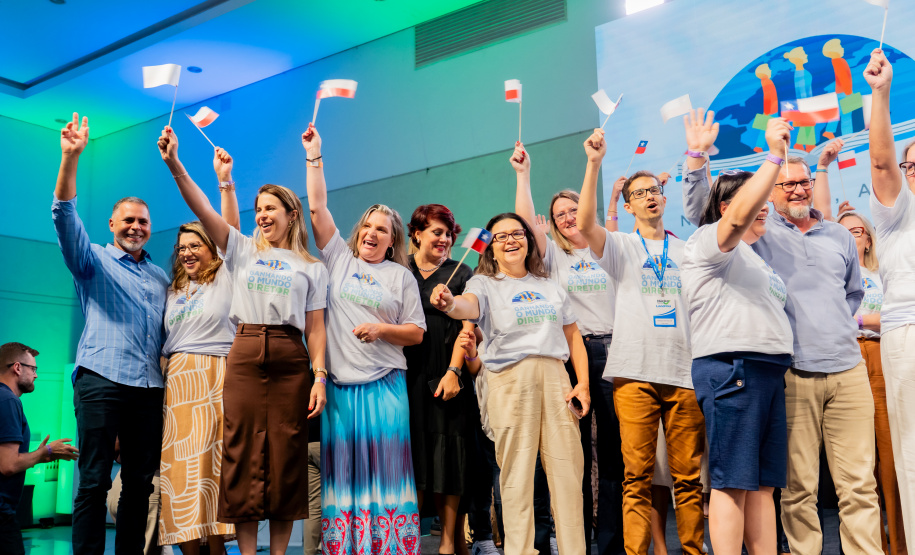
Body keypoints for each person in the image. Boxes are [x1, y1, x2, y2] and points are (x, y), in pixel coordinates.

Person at [682, 119, 880, 555]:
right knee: (743, 483)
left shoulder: (769, 255)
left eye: (804, 182)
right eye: (782, 185)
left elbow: (850, 295)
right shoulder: (723, 241)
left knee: (766, 485)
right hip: (741, 368)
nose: (795, 191)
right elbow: (717, 212)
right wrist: (699, 159)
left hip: (781, 371)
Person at [158, 126, 328, 555]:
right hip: (246, 352)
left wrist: (320, 376)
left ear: (292, 213)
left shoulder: (312, 267)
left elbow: (316, 328)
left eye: (271, 208)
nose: (263, 215)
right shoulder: (241, 248)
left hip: (291, 357)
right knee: (242, 456)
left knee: (286, 458)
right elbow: (200, 206)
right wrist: (176, 163)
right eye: (258, 209)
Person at [429, 212, 591, 555]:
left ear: (528, 240)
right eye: (500, 237)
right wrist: (450, 302)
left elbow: (573, 336)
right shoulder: (483, 284)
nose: (510, 241)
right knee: (516, 478)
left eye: (516, 233)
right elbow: (465, 307)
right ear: (490, 247)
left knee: (568, 475)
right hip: (509, 381)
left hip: (556, 380)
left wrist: (584, 384)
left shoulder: (550, 286)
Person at [577, 127, 706, 555]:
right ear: (628, 205)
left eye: (655, 191)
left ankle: (693, 550)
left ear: (664, 200)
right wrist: (594, 164)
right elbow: (585, 224)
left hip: (684, 373)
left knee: (688, 479)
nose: (650, 196)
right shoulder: (620, 246)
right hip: (633, 374)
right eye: (640, 193)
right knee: (637, 476)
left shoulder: (687, 250)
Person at [302, 124, 426, 555]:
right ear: (358, 232)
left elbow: (416, 333)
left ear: (393, 241)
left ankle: (390, 547)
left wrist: (381, 329)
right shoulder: (338, 259)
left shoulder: (401, 277)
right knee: (346, 477)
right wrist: (314, 155)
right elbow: (317, 208)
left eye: (382, 230)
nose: (372, 233)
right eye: (368, 226)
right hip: (340, 390)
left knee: (388, 473)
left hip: (386, 386)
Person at [52, 113, 169, 555]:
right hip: (101, 379)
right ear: (112, 225)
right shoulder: (92, 260)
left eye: (143, 221)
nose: (136, 227)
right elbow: (64, 217)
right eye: (128, 220)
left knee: (140, 483)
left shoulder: (160, 277)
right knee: (94, 481)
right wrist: (71, 158)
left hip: (148, 391)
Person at [681, 117, 795, 555]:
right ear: (728, 206)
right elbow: (736, 218)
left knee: (763, 485)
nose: (764, 206)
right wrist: (773, 157)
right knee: (732, 482)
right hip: (733, 369)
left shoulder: (756, 258)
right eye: (756, 198)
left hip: (767, 371)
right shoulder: (708, 242)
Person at [512, 142, 624, 555]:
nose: (567, 217)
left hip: (614, 351)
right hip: (575, 356)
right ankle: (577, 540)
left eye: (573, 209)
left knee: (612, 454)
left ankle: (610, 543)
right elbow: (526, 224)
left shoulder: (608, 246)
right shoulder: (553, 256)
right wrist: (523, 175)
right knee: (573, 452)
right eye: (559, 214)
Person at [158, 146, 240, 554]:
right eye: (182, 247)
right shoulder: (173, 290)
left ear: (212, 248)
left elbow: (229, 226)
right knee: (182, 479)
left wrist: (225, 181)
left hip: (216, 381)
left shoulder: (226, 275)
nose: (188, 252)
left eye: (196, 245)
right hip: (178, 388)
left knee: (214, 474)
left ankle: (218, 549)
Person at [864, 48, 915, 552]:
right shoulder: (898, 211)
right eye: (910, 163)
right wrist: (881, 94)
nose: (913, 169)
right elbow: (880, 160)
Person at [404, 204, 475, 555]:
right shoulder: (400, 269)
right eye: (437, 232)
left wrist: (453, 372)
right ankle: (410, 541)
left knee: (450, 456)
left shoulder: (461, 272)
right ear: (417, 234)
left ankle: (448, 542)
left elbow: (468, 326)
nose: (445, 239)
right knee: (415, 457)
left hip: (448, 377)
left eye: (449, 234)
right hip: (407, 376)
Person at [0, 343, 79, 555]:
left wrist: (38, 457)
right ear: (17, 367)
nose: (36, 375)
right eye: (33, 369)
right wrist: (47, 452)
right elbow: (7, 465)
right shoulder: (8, 400)